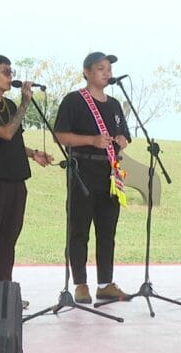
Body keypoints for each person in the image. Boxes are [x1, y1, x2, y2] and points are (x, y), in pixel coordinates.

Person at [0, 54, 53, 287]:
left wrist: (33, 153)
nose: (10, 76)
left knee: (7, 243)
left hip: (15, 184)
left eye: (11, 72)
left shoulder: (10, 106)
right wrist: (25, 104)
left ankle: (3, 293)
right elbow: (5, 133)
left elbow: (13, 140)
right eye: (5, 72)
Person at [54, 52, 132, 304]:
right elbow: (60, 136)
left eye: (109, 69)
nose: (107, 73)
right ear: (87, 72)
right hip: (83, 172)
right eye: (101, 68)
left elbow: (125, 136)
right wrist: (92, 140)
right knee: (79, 229)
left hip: (110, 174)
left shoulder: (115, 104)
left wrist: (122, 140)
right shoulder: (74, 100)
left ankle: (105, 284)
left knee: (107, 231)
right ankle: (80, 284)